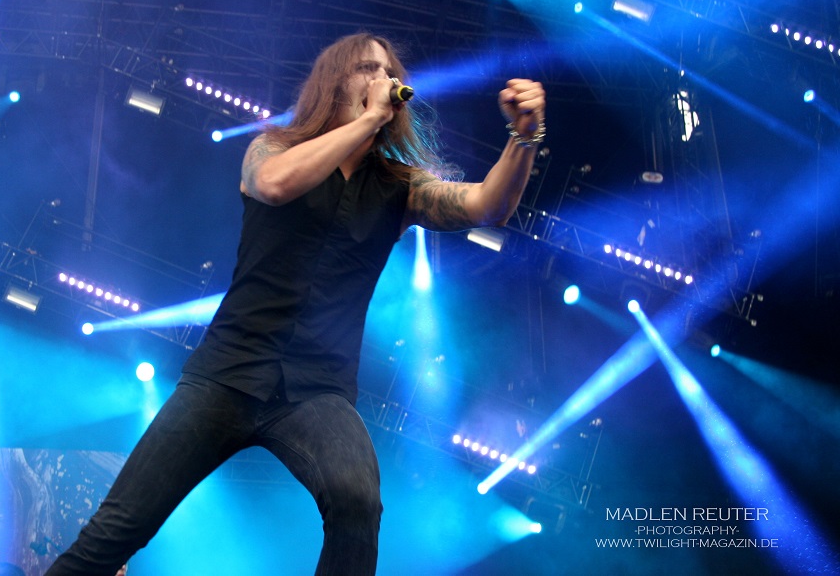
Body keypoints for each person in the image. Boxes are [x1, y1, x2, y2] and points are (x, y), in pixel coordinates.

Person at [44, 33, 546, 575]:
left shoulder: (399, 187)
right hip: (227, 372)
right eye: (367, 68)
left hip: (318, 389)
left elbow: (486, 206)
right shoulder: (273, 147)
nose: (381, 79)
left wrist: (524, 137)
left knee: (358, 502)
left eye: (388, 72)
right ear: (334, 82)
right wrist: (367, 122)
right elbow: (274, 185)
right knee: (116, 530)